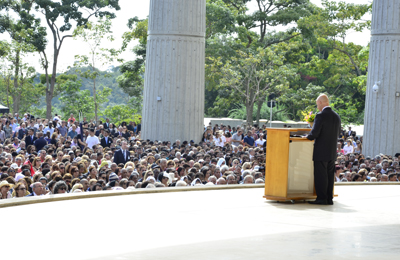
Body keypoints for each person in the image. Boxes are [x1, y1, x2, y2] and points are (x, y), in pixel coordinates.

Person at [305, 94, 341, 205]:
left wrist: (307, 136)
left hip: (321, 151)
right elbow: (338, 133)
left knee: (321, 175)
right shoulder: (336, 116)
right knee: (330, 175)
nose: (317, 107)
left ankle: (321, 198)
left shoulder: (320, 115)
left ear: (320, 102)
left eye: (317, 104)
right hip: (331, 151)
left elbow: (314, 133)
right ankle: (329, 198)